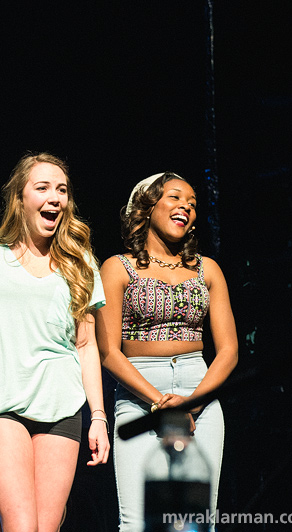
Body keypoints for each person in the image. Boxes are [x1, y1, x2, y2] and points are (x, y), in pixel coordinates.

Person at [0, 153, 110, 532]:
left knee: (46, 526)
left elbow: (86, 345)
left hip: (62, 406)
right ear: (19, 199)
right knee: (21, 524)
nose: (55, 197)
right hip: (2, 402)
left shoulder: (81, 263)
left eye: (62, 190)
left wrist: (99, 417)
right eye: (42, 188)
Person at [95, 172, 238, 532]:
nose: (186, 208)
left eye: (192, 204)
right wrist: (160, 403)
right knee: (137, 522)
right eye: (175, 198)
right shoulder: (117, 267)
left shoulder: (208, 270)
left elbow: (229, 351)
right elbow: (108, 352)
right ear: (147, 206)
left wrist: (191, 404)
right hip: (140, 395)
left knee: (197, 521)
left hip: (199, 392)